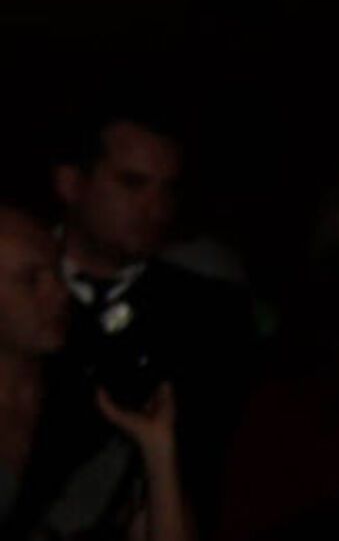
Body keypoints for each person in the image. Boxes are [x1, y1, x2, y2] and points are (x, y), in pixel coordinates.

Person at [52, 110, 254, 532]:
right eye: (132, 183)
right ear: (71, 184)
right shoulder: (17, 284)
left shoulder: (209, 316)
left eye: (168, 189)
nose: (155, 208)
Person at [0, 203, 194, 540]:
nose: (60, 293)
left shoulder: (96, 390)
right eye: (31, 281)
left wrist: (158, 452)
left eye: (58, 273)